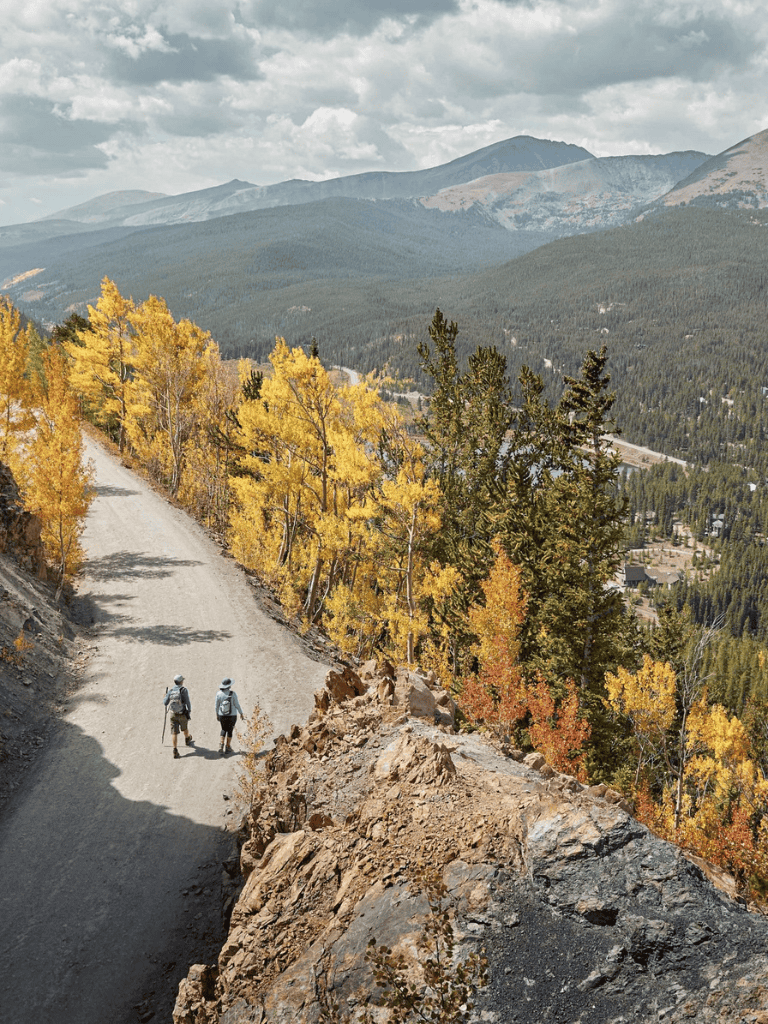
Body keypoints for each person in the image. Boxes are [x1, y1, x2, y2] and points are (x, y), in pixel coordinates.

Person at [163, 673, 193, 759]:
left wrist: (165, 696)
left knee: (174, 733)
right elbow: (187, 702)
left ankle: (175, 750)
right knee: (185, 729)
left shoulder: (171, 690)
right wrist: (189, 711)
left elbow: (165, 703)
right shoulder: (184, 690)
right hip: (182, 713)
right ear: (181, 682)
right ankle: (187, 739)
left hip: (173, 714)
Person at [215, 678, 244, 755]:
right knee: (230, 730)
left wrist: (217, 714)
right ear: (229, 686)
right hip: (232, 715)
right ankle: (228, 747)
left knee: (223, 729)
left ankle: (221, 745)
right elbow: (237, 705)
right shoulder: (233, 694)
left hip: (222, 715)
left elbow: (216, 706)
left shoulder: (218, 694)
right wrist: (241, 713)